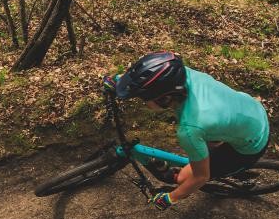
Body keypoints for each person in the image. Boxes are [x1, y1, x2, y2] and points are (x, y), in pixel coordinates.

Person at [104, 51, 269, 210]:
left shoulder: (189, 129)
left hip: (252, 143)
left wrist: (171, 198)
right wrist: (119, 83)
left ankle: (224, 170)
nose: (142, 102)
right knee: (205, 146)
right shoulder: (181, 74)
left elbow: (201, 177)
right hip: (251, 110)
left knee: (184, 177)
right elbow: (151, 78)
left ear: (165, 98)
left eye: (143, 98)